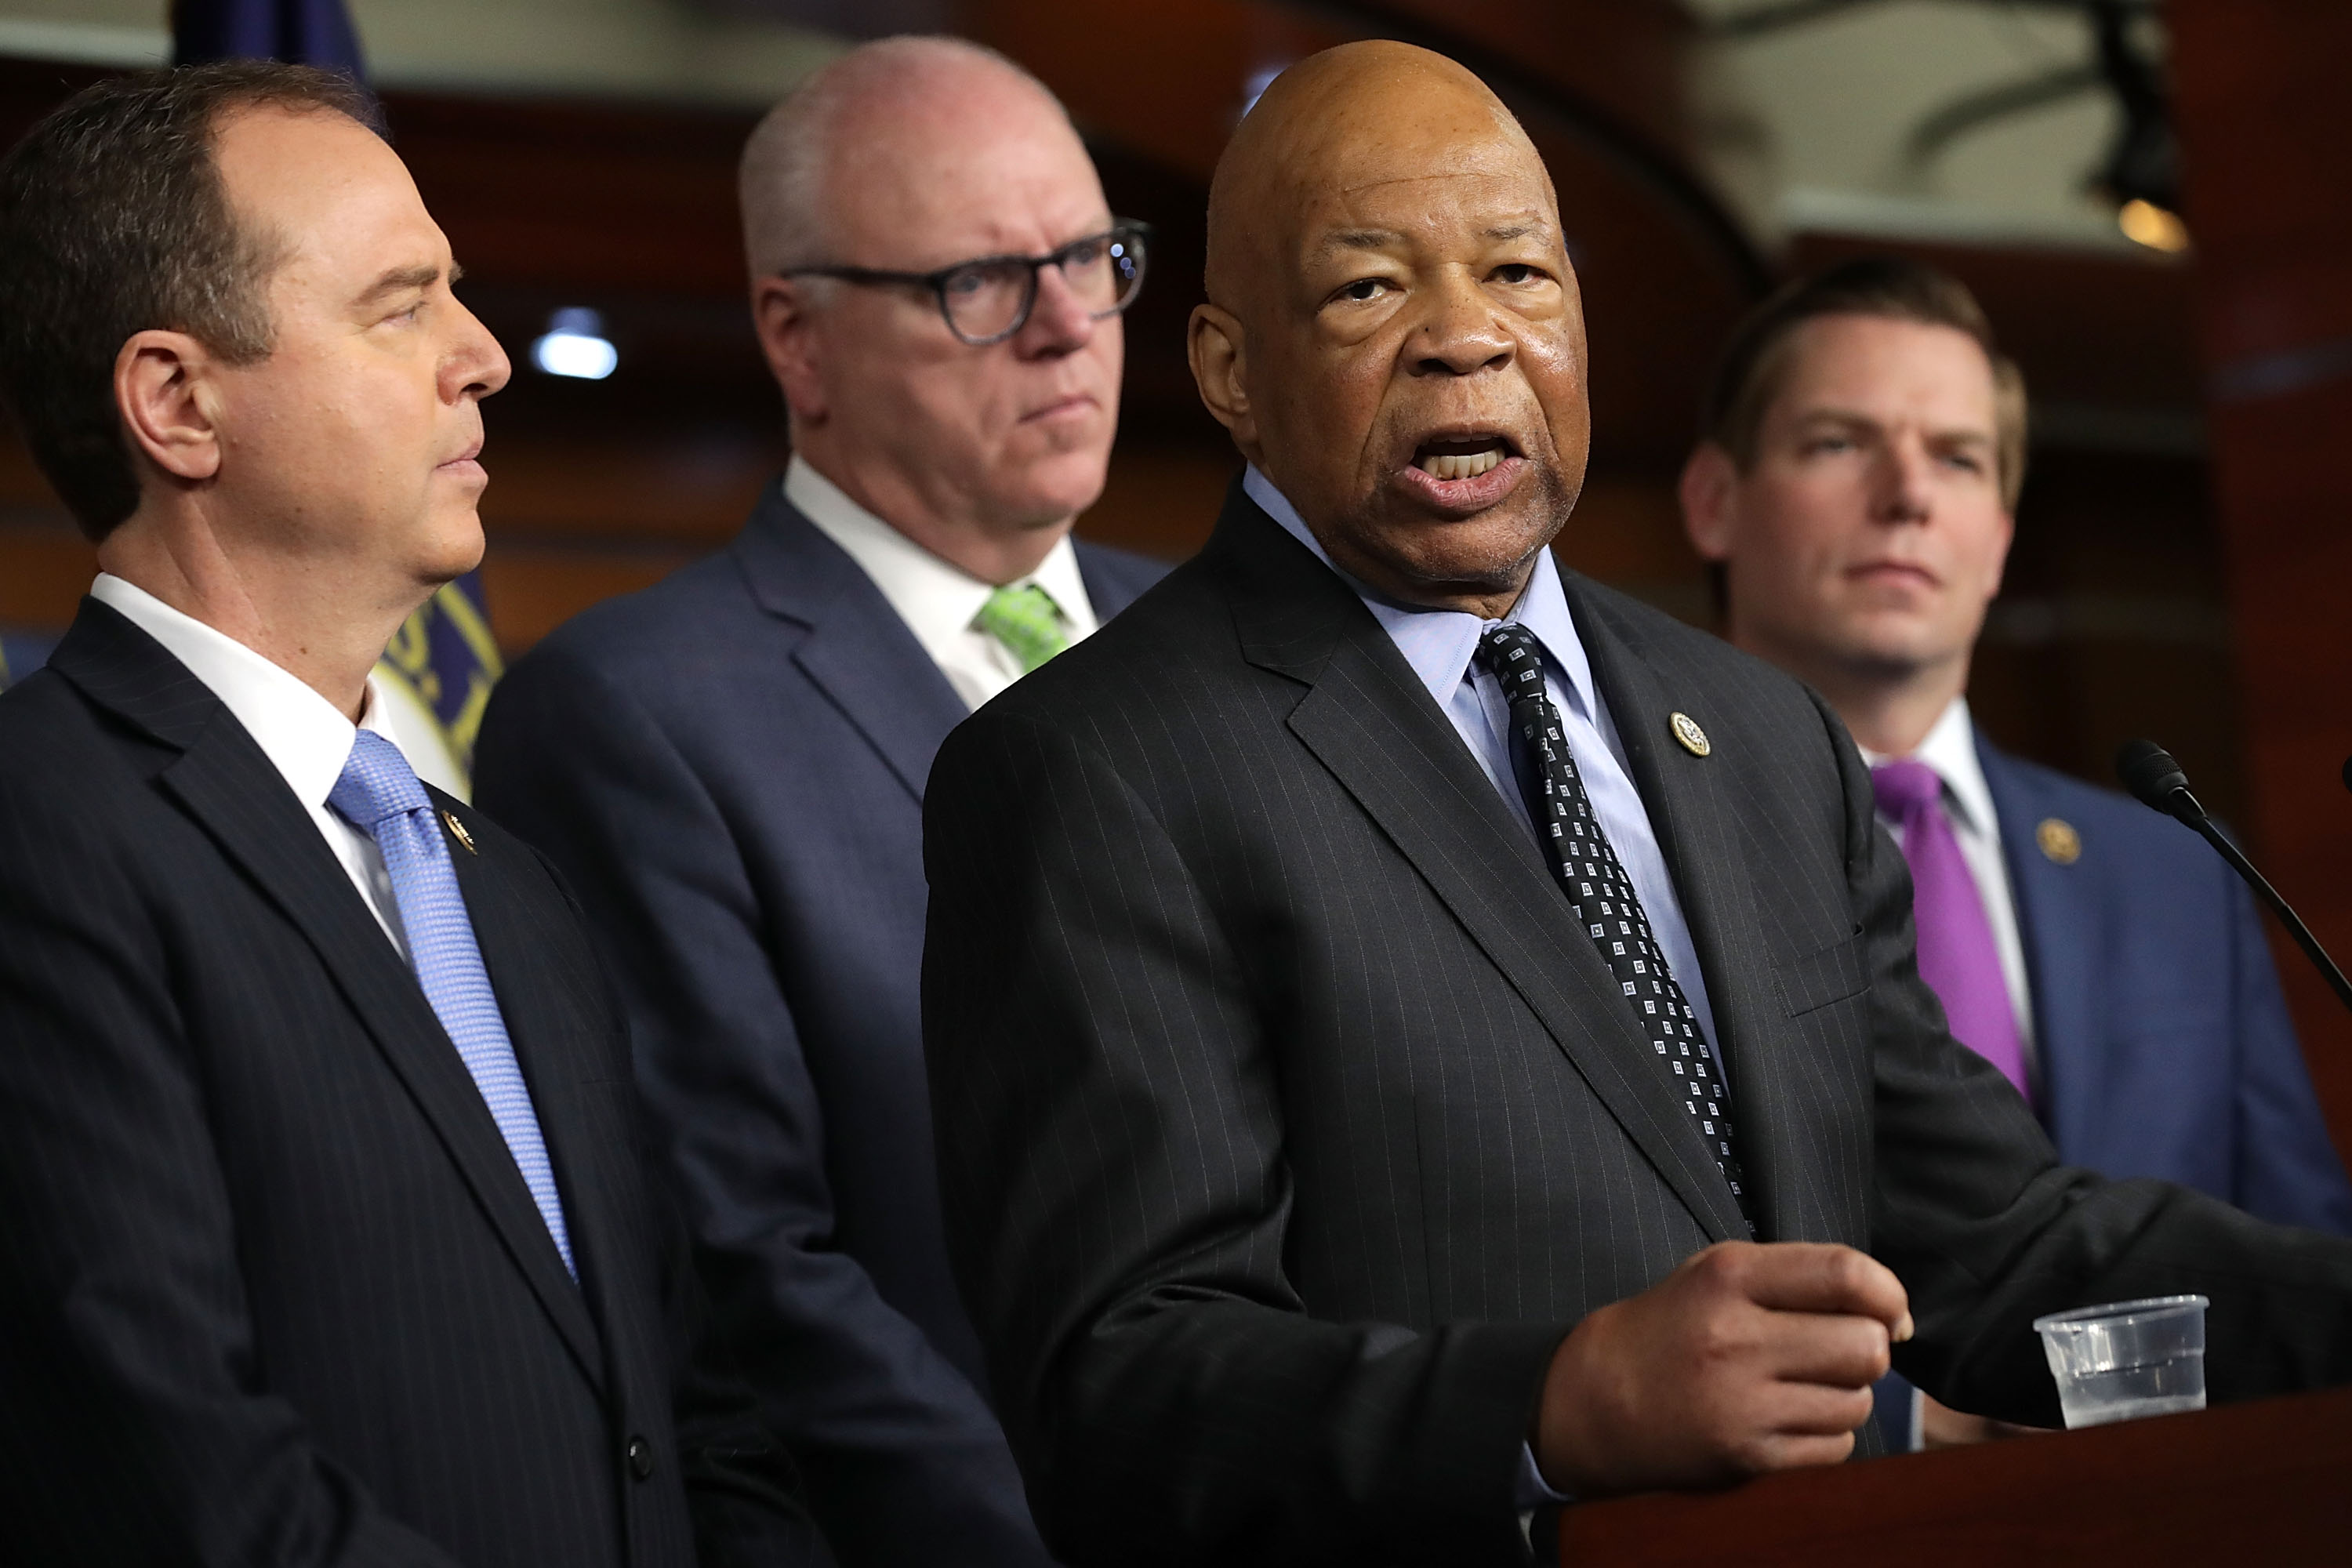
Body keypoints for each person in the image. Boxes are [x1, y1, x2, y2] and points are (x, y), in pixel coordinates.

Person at [916, 40, 2352, 1567]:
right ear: (1228, 370)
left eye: (1520, 274)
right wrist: (1557, 1403)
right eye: (1369, 289)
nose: (1466, 337)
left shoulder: (1764, 734)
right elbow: (1121, 1396)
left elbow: (1995, 1248)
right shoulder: (1095, 771)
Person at [0, 64, 818, 1566]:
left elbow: (691, 1418)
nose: (484, 356)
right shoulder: (38, 828)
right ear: (179, 404)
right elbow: (173, 1471)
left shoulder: (505, 881)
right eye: (402, 305)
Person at [473, 36, 1163, 1568]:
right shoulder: (631, 714)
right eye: (982, 281)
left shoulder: (1235, 647)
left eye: (1090, 258)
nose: (1070, 326)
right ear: (798, 336)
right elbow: (746, 1275)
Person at [1677, 258, 2352, 1446]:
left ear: (1997, 538)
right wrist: (1907, 1421)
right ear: (1716, 501)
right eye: (1839, 443)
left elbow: (2299, 1254)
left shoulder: (2173, 868)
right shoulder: (1628, 850)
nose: (1907, 497)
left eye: (1958, 459)